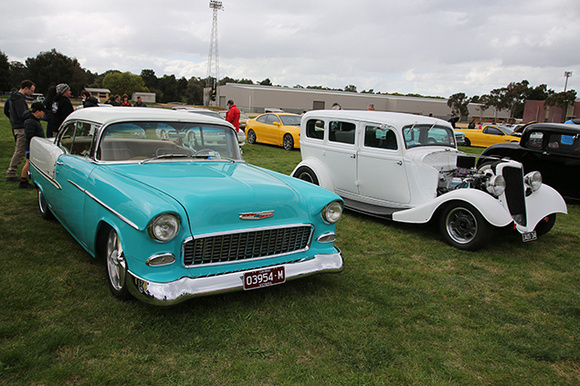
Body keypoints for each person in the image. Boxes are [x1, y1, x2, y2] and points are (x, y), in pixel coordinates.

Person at [4, 80, 35, 182]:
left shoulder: (12, 98)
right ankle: (11, 173)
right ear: (25, 88)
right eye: (31, 90)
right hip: (21, 128)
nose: (32, 93)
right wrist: (31, 114)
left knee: (19, 150)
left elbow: (7, 111)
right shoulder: (19, 100)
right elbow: (22, 114)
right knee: (20, 151)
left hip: (16, 126)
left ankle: (12, 171)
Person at [19, 102, 46, 189]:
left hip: (35, 145)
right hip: (31, 146)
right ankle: (23, 181)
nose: (44, 113)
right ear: (38, 111)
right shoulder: (30, 121)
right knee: (28, 163)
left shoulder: (34, 120)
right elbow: (29, 135)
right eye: (43, 111)